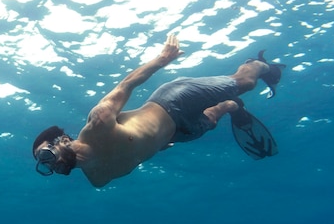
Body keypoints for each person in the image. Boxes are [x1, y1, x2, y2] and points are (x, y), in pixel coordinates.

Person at [32, 34, 285, 188]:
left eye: (45, 155)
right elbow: (134, 151)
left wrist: (162, 59)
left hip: (172, 101)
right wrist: (156, 143)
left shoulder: (98, 123)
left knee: (244, 84)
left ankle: (257, 65)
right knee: (213, 118)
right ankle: (232, 107)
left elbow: (126, 85)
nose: (49, 165)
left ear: (62, 140)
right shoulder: (98, 179)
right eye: (44, 166)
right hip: (177, 134)